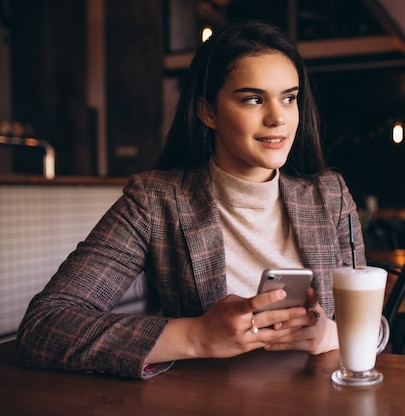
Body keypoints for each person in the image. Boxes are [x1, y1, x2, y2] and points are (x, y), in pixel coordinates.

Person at [15, 21, 365, 379]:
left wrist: (330, 333)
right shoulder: (155, 200)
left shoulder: (330, 195)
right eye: (254, 99)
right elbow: (44, 326)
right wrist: (196, 335)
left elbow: (374, 326)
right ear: (207, 112)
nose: (278, 118)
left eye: (289, 98)